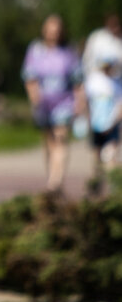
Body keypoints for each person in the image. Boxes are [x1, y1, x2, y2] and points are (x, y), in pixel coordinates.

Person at [21, 14, 83, 195]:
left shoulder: (69, 52)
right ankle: (52, 176)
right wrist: (34, 97)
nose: (54, 34)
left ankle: (56, 182)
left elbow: (77, 79)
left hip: (64, 102)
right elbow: (29, 76)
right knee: (49, 142)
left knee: (61, 139)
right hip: (44, 103)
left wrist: (80, 102)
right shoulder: (36, 50)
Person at [83, 56, 122, 187]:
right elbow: (86, 102)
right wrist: (87, 118)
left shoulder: (116, 83)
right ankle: (96, 184)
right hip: (96, 123)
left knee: (111, 155)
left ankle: (113, 186)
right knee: (96, 155)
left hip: (111, 124)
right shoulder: (93, 81)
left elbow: (120, 104)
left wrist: (115, 122)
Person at [82, 13, 122, 77]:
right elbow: (87, 60)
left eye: (116, 24)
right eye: (113, 24)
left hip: (116, 84)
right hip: (97, 81)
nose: (115, 28)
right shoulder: (97, 38)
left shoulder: (119, 42)